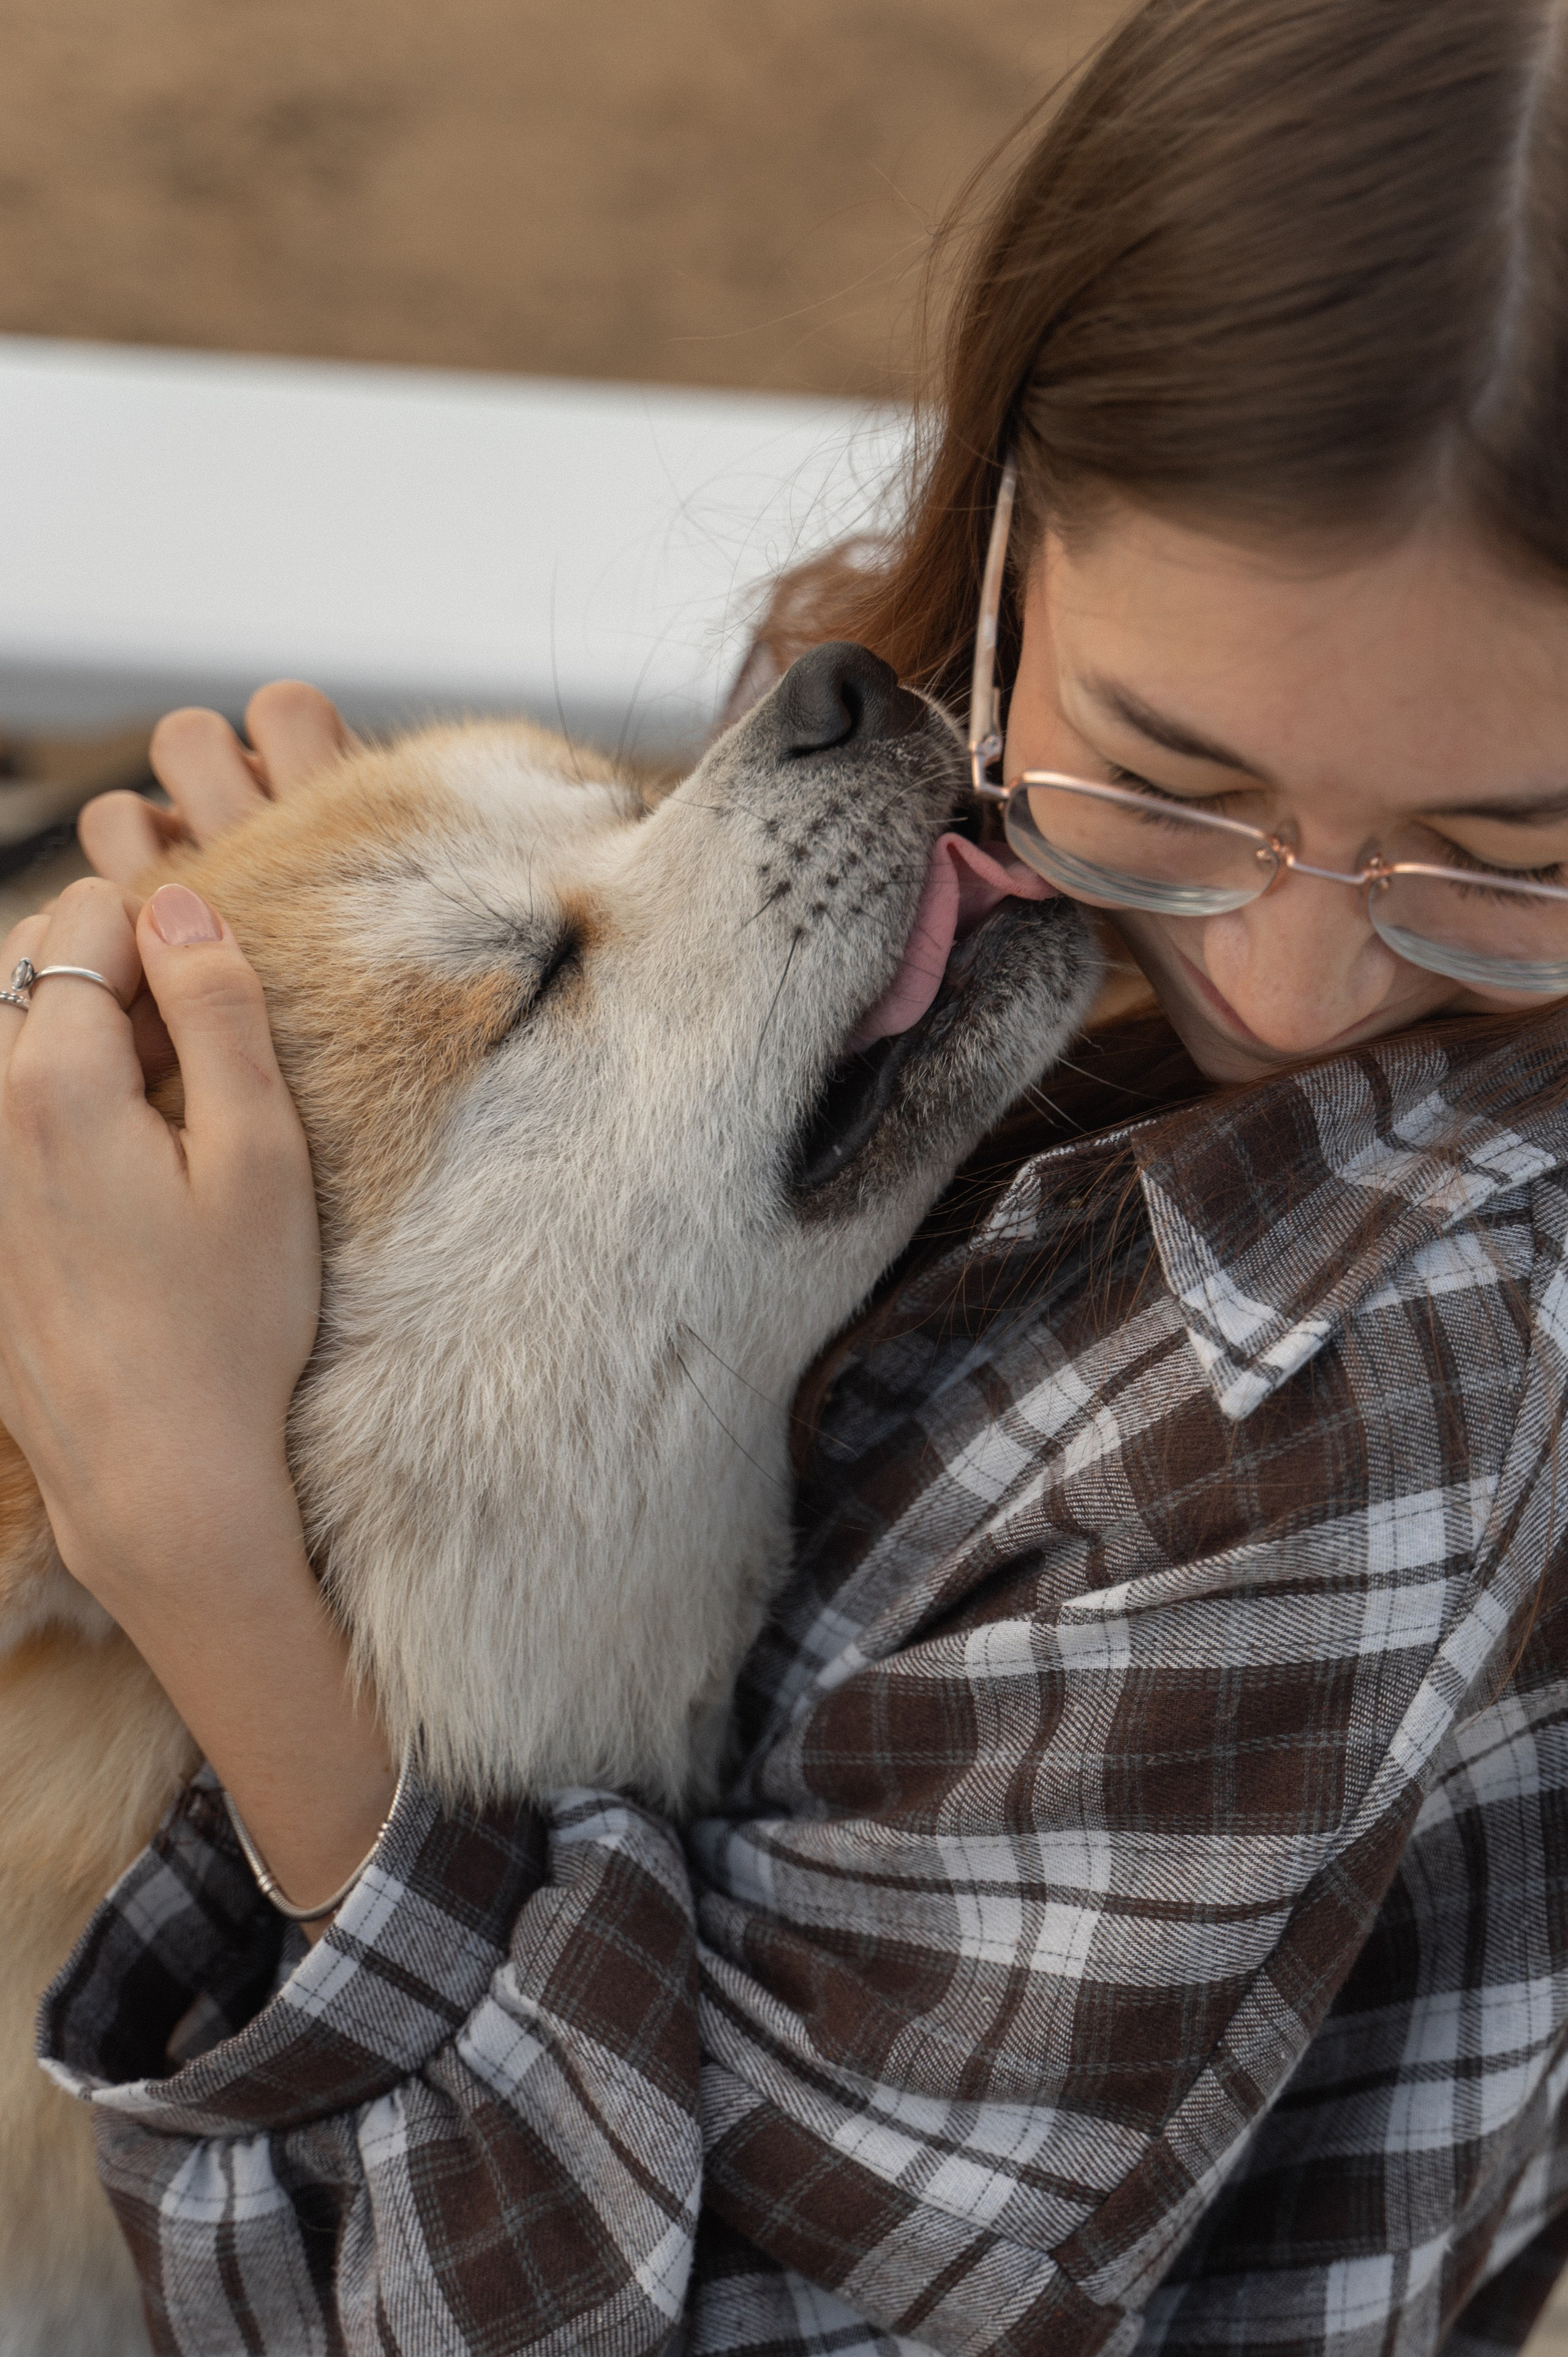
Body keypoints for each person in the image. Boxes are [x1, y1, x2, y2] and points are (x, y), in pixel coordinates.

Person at [10, 0, 1568, 2346]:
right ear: (1017, 514)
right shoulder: (1034, 890)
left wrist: (211, 1559)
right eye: (1163, 771)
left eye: (1499, 853)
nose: (1293, 968)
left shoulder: (1361, 1391)